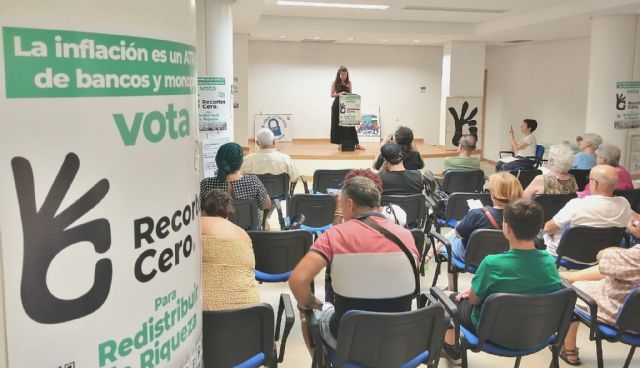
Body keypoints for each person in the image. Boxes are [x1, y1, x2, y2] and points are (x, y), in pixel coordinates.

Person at [289, 176, 418, 350]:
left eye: (341, 206)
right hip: (398, 337)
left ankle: (324, 360)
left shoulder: (335, 235)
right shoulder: (406, 235)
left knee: (304, 311)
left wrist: (311, 302)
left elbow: (298, 281)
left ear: (349, 204)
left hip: (349, 338)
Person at [441, 199, 562, 361]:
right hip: (534, 333)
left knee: (448, 300)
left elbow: (475, 300)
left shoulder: (492, 263)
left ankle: (451, 349)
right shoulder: (549, 262)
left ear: (506, 228)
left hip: (490, 333)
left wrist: (471, 292)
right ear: (538, 229)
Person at [558, 217, 640, 365]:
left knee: (572, 292)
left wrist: (611, 249)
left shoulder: (635, 256)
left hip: (623, 317)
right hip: (631, 304)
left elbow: (602, 257)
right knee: (616, 269)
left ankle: (569, 351)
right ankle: (571, 276)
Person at [427, 172, 523, 290]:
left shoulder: (478, 214)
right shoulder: (523, 215)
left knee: (453, 236)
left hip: (472, 260)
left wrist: (464, 221)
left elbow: (459, 234)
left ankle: (451, 288)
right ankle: (433, 250)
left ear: (493, 193)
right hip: (508, 260)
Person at [543, 165, 633, 259]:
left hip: (565, 255)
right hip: (600, 257)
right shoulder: (624, 204)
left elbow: (548, 228)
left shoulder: (577, 204)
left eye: (589, 179)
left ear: (595, 183)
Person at [201, 189, 260, 311]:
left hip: (206, 316)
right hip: (250, 312)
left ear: (202, 211)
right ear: (227, 214)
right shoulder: (244, 235)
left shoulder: (197, 224)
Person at [200, 142, 271, 218]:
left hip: (218, 229)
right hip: (248, 229)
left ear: (217, 161)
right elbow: (267, 204)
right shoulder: (253, 181)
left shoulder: (206, 184)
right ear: (240, 162)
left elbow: (200, 211)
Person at [330, 66, 364, 150]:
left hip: (347, 105)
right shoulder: (335, 82)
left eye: (345, 74)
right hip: (337, 105)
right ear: (339, 74)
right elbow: (332, 95)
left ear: (347, 74)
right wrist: (340, 93)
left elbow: (351, 94)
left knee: (351, 125)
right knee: (338, 125)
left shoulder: (349, 82)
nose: (343, 76)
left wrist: (348, 95)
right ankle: (341, 144)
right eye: (341, 74)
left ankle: (357, 144)